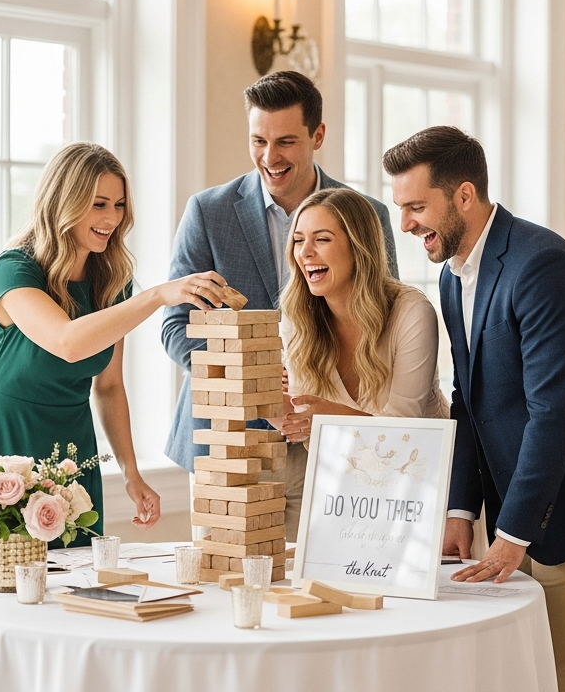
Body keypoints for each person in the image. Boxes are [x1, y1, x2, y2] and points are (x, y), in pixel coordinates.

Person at [0, 143, 226, 571]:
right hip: (7, 448)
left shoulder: (111, 281)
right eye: (98, 204)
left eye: (118, 205)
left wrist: (132, 474)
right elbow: (68, 341)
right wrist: (157, 296)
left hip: (73, 453)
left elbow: (109, 386)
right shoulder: (15, 269)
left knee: (69, 592)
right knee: (0, 589)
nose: (111, 218)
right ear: (65, 201)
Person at [386, 126, 565, 692]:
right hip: (504, 521)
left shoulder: (544, 266)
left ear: (463, 195)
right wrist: (461, 511)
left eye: (415, 207)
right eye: (400, 208)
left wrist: (516, 532)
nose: (405, 224)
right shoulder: (452, 275)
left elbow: (554, 412)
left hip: (561, 522)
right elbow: (469, 400)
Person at [161, 71, 397, 483]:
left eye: (286, 141)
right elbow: (176, 328)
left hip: (330, 441)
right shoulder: (207, 212)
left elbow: (383, 323)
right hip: (227, 440)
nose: (271, 157)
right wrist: (257, 375)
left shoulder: (367, 215)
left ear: (317, 135)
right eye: (259, 141)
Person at [266, 188, 448, 541]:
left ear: (357, 246)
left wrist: (323, 419)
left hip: (422, 493)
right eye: (299, 240)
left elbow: (403, 431)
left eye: (322, 239)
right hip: (349, 499)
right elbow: (304, 424)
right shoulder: (297, 316)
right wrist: (272, 402)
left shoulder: (411, 312)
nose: (305, 253)